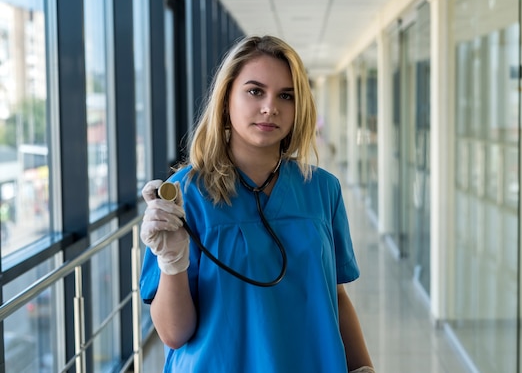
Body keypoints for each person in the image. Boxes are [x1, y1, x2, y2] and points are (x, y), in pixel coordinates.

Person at [139, 35, 375, 373]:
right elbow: (174, 334)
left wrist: (363, 368)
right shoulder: (183, 196)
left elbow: (335, 296)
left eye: (286, 95)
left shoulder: (322, 189)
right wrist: (172, 262)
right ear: (226, 99)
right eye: (255, 91)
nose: (270, 107)